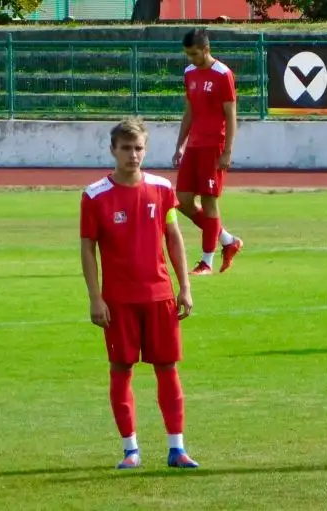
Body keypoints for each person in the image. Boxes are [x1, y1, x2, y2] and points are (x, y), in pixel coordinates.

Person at [80, 117, 199, 470]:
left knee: (168, 368)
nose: (133, 155)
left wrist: (184, 287)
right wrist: (95, 297)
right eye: (126, 148)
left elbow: (173, 238)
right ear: (112, 150)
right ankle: (130, 450)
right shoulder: (94, 194)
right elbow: (88, 248)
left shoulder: (162, 189)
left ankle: (177, 448)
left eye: (139, 148)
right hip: (118, 300)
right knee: (121, 369)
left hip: (160, 296)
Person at [172, 28, 243, 276]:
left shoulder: (223, 75)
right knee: (181, 200)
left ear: (206, 49)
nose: (191, 59)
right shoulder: (189, 73)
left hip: (214, 146)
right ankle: (227, 240)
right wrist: (180, 144)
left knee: (209, 201)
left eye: (194, 53)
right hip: (194, 146)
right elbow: (189, 110)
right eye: (188, 54)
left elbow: (231, 115)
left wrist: (227, 151)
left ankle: (206, 262)